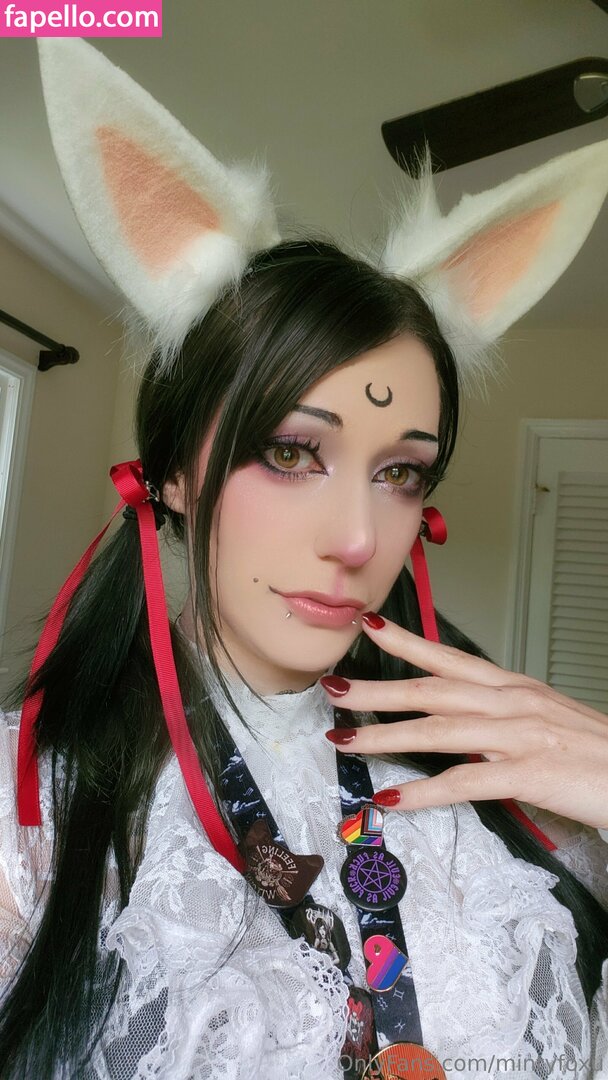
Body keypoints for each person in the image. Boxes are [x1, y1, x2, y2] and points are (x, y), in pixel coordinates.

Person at [0, 37, 607, 1080]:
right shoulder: (28, 809)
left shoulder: (511, 795)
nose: (359, 538)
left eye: (401, 472)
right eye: (290, 453)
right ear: (171, 474)